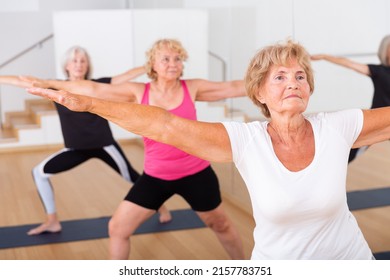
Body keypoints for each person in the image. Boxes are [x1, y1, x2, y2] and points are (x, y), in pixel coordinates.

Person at [27, 39, 390, 260]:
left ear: (310, 88)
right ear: (260, 93)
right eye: (279, 77)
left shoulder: (338, 127)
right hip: (279, 265)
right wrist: (89, 104)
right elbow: (162, 125)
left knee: (219, 222)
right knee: (118, 226)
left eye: (300, 77)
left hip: (353, 263)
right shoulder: (247, 140)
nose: (292, 83)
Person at [23, 39, 247, 260]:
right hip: (155, 177)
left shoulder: (193, 87)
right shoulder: (138, 91)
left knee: (221, 224)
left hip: (196, 174)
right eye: (166, 59)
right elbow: (93, 88)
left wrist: (275, 81)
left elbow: (233, 87)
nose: (173, 63)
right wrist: (50, 84)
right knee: (117, 229)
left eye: (178, 59)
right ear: (153, 65)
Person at [0, 45, 171, 235]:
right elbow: (21, 81)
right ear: (66, 65)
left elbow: (125, 76)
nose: (79, 64)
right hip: (75, 148)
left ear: (87, 64)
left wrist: (151, 65)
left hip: (104, 145)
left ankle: (160, 205)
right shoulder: (55, 86)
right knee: (38, 173)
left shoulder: (98, 85)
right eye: (74, 60)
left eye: (82, 60)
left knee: (130, 176)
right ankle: (52, 221)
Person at [311, 34, 390, 162]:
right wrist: (325, 57)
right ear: (385, 52)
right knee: (352, 147)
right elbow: (350, 63)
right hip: (376, 118)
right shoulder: (379, 71)